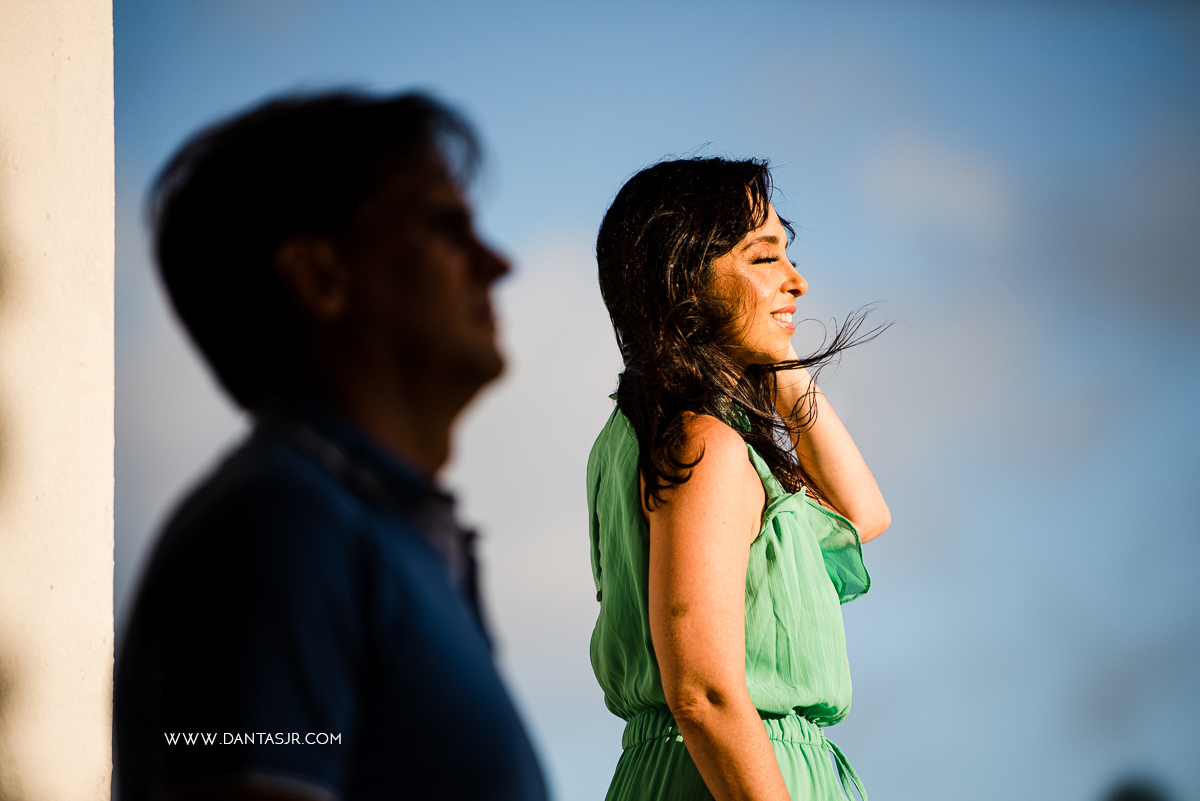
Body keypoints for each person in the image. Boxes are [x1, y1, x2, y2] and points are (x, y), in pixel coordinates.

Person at [115, 91, 548, 801]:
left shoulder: (370, 533)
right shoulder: (278, 528)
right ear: (320, 277)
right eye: (445, 227)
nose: (497, 263)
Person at [586, 157, 890, 801]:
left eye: (789, 253)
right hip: (732, 775)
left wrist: (777, 356)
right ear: (683, 279)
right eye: (763, 258)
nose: (798, 282)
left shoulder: (649, 434)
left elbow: (861, 515)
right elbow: (704, 691)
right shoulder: (705, 445)